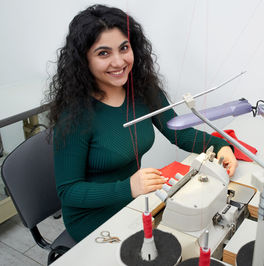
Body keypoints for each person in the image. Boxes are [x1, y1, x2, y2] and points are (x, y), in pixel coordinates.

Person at [47, 4, 238, 242]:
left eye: (124, 48)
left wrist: (219, 146)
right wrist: (127, 188)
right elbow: (68, 192)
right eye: (103, 53)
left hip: (134, 199)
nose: (119, 62)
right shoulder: (75, 116)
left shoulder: (143, 90)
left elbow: (179, 133)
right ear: (83, 60)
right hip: (93, 216)